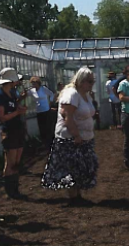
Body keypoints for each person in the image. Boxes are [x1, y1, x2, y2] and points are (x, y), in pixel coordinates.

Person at [41, 67, 98, 203]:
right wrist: (76, 135)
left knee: (83, 166)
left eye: (93, 81)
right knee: (72, 168)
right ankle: (74, 197)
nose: (92, 84)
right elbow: (68, 116)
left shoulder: (86, 94)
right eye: (89, 81)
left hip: (85, 138)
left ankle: (77, 195)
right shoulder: (71, 94)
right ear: (81, 81)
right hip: (70, 138)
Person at [0, 68, 27, 199]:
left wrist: (19, 106)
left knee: (17, 161)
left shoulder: (12, 93)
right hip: (9, 130)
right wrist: (17, 113)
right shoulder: (0, 95)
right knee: (11, 161)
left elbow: (13, 106)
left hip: (17, 129)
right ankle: (10, 190)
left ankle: (15, 187)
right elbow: (1, 117)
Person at [27, 76, 55, 147]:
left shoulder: (43, 89)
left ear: (38, 83)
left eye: (34, 83)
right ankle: (45, 143)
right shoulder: (32, 91)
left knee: (48, 127)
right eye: (32, 84)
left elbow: (51, 94)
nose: (33, 85)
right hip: (39, 111)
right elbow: (25, 95)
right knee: (41, 128)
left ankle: (51, 142)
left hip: (46, 110)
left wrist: (50, 103)